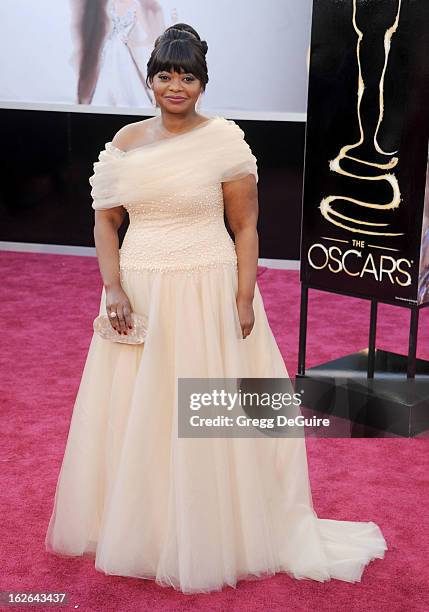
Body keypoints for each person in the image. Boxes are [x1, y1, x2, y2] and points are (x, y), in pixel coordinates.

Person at [45, 23, 388, 594]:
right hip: (142, 285)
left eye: (187, 77)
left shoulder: (225, 140)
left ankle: (218, 526)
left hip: (207, 287)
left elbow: (246, 224)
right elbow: (106, 221)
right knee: (137, 406)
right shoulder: (126, 143)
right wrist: (113, 288)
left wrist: (244, 294)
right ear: (149, 80)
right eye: (164, 75)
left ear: (202, 84)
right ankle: (143, 524)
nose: (175, 86)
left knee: (207, 409)